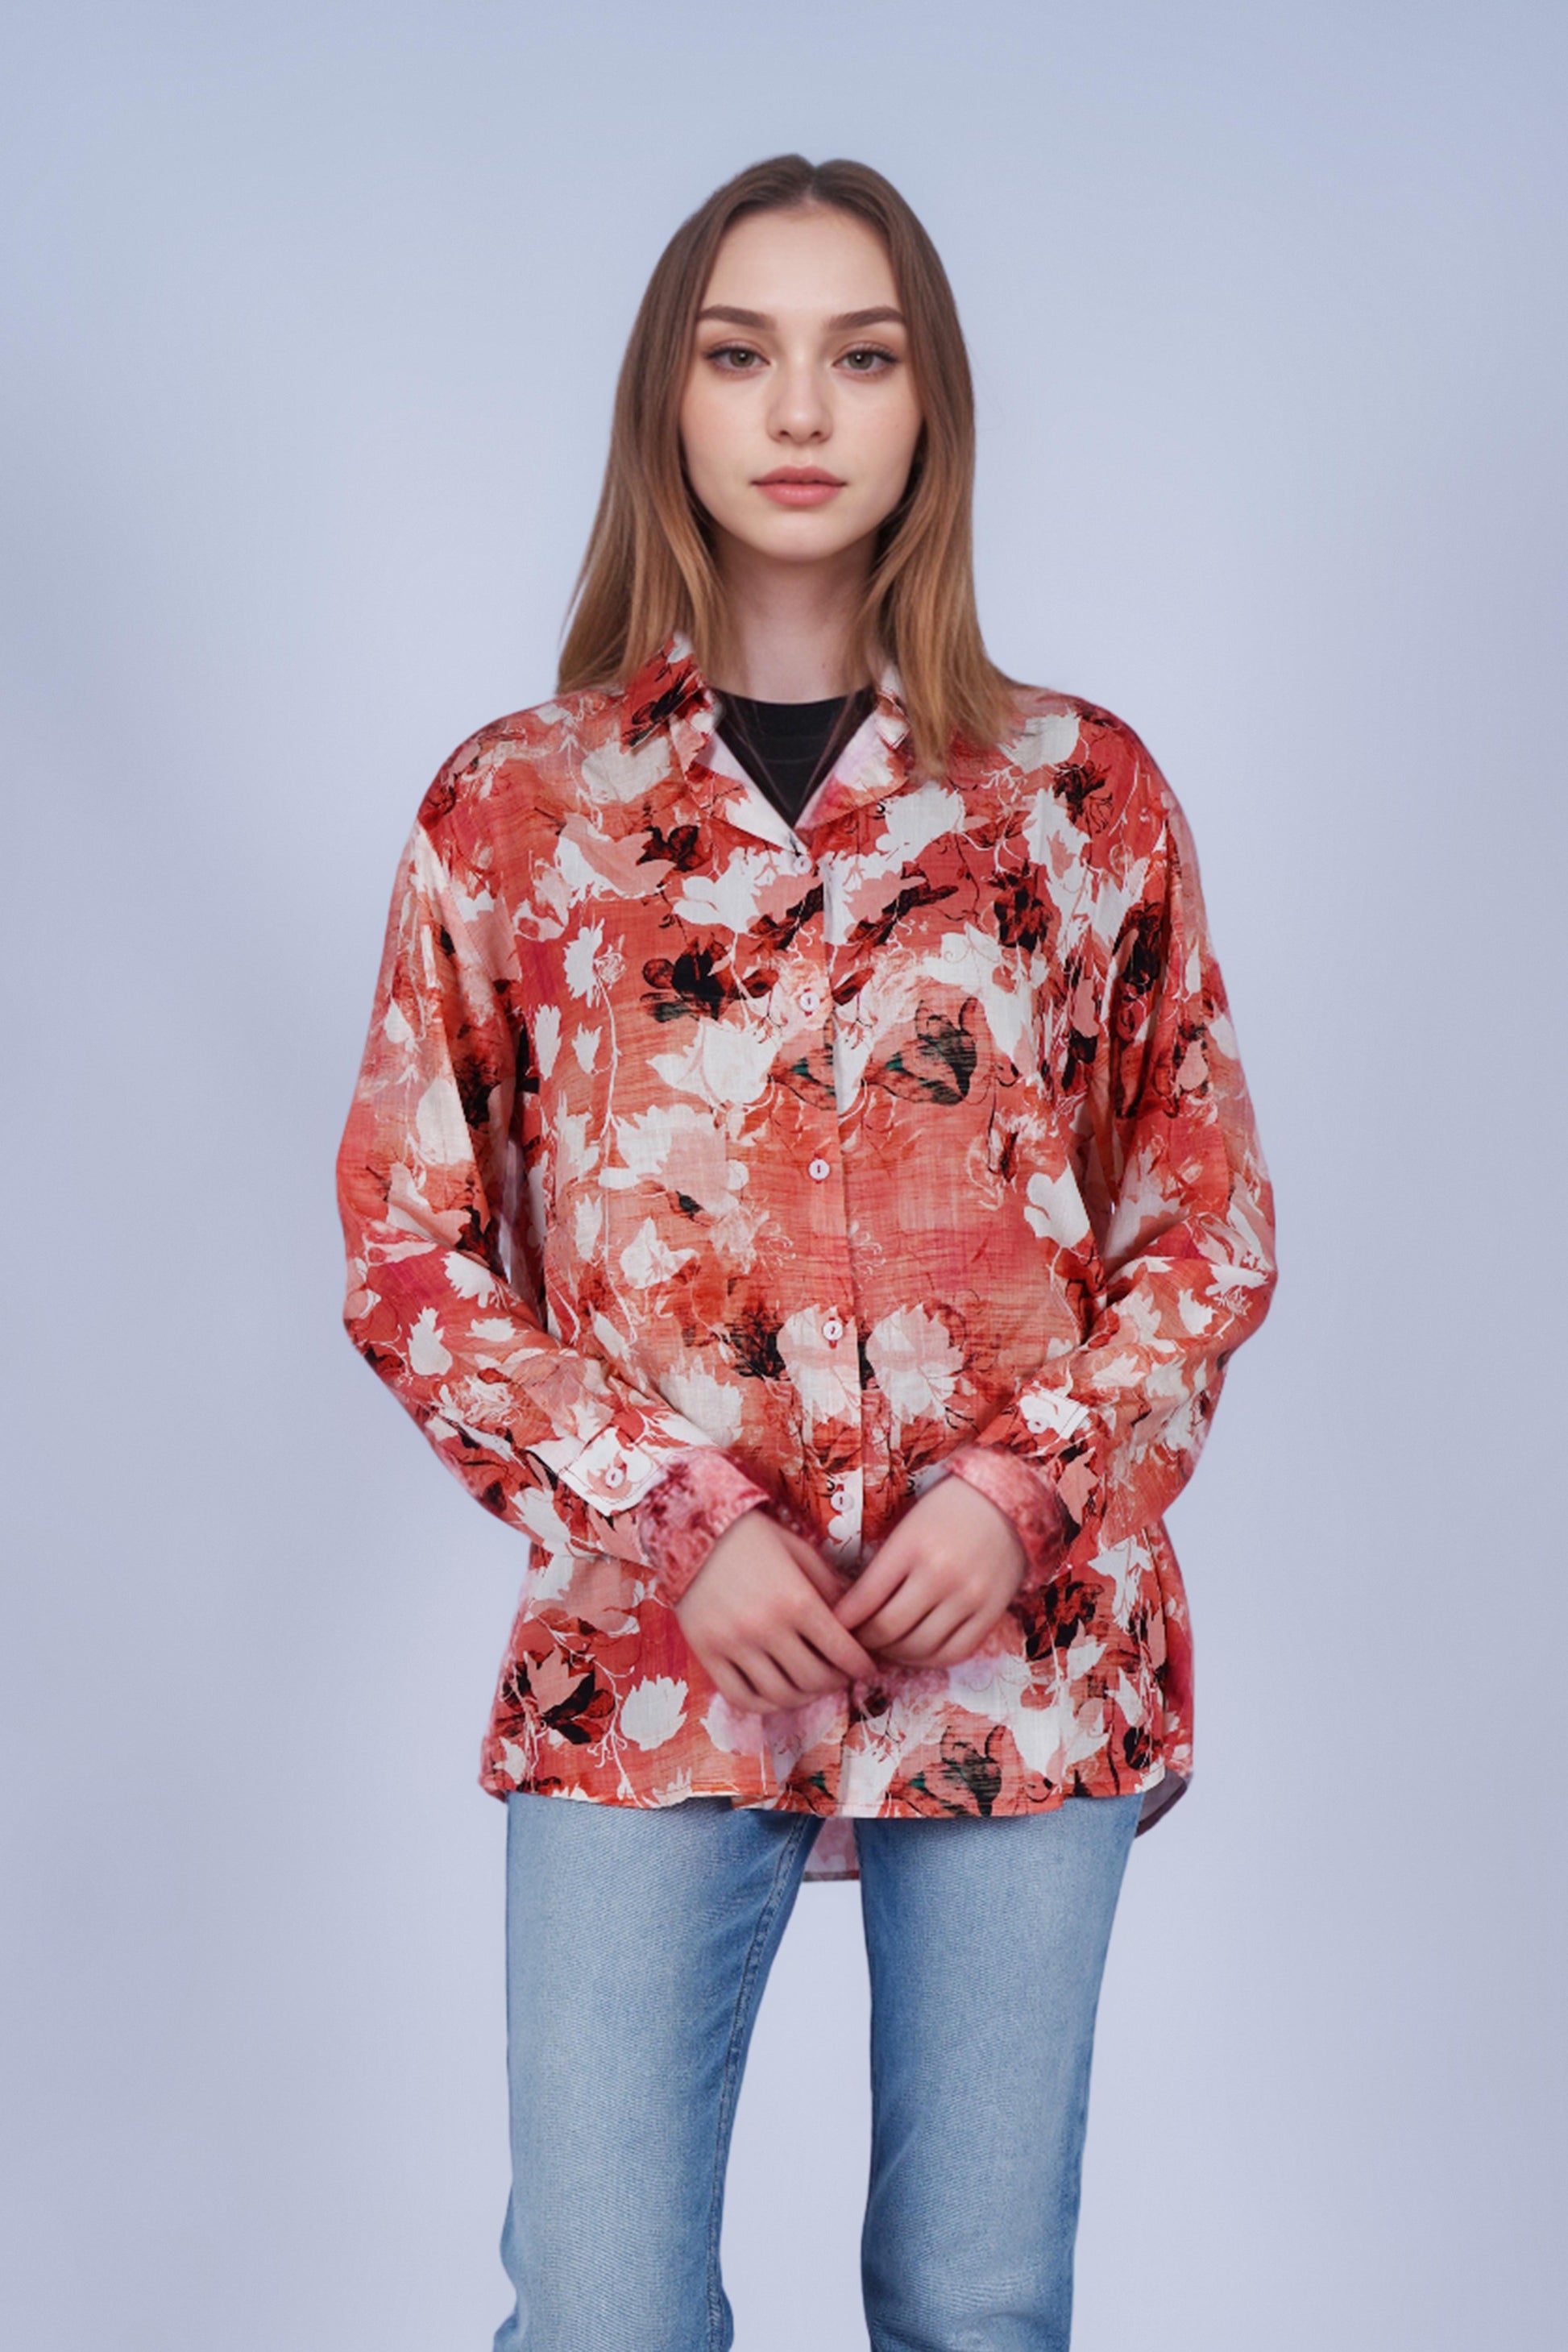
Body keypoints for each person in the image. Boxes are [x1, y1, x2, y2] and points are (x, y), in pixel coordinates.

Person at [334, 151, 1276, 2352]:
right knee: (601, 2310)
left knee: (973, 2307)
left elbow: (1202, 1207)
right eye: (739, 352)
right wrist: (668, 1514)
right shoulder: (518, 810)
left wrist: (1024, 1486)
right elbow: (408, 1243)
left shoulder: (1076, 799)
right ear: (663, 399)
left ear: (929, 404)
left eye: (860, 356)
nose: (797, 409)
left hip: (1018, 1657)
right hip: (650, 1658)